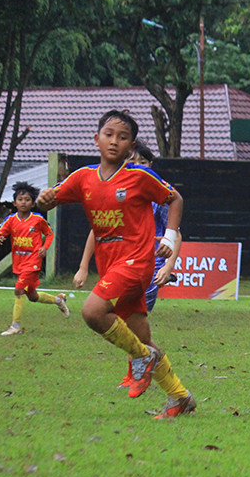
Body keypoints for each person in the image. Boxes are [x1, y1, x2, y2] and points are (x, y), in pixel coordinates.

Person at [36, 109, 195, 419]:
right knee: (142, 338)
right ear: (96, 140)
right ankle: (180, 396)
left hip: (137, 261)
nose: (114, 141)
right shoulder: (83, 177)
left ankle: (141, 358)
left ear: (130, 145)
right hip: (111, 266)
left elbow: (175, 200)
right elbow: (52, 198)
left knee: (92, 311)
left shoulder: (139, 177)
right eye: (108, 135)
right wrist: (43, 200)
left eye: (122, 137)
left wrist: (169, 236)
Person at [73, 143, 182, 387]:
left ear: (150, 166)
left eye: (142, 162)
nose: (137, 166)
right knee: (138, 333)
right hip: (118, 266)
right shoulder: (115, 191)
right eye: (133, 161)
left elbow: (176, 229)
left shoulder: (156, 195)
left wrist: (168, 264)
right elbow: (96, 230)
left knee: (109, 318)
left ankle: (140, 363)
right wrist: (83, 266)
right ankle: (178, 395)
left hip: (145, 267)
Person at [0, 181, 70, 335]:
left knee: (18, 289)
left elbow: (49, 233)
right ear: (14, 202)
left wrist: (44, 247)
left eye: (27, 199)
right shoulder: (11, 220)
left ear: (33, 203)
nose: (23, 202)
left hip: (33, 261)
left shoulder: (37, 219)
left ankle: (15, 326)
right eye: (20, 199)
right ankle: (58, 300)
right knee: (32, 296)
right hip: (19, 261)